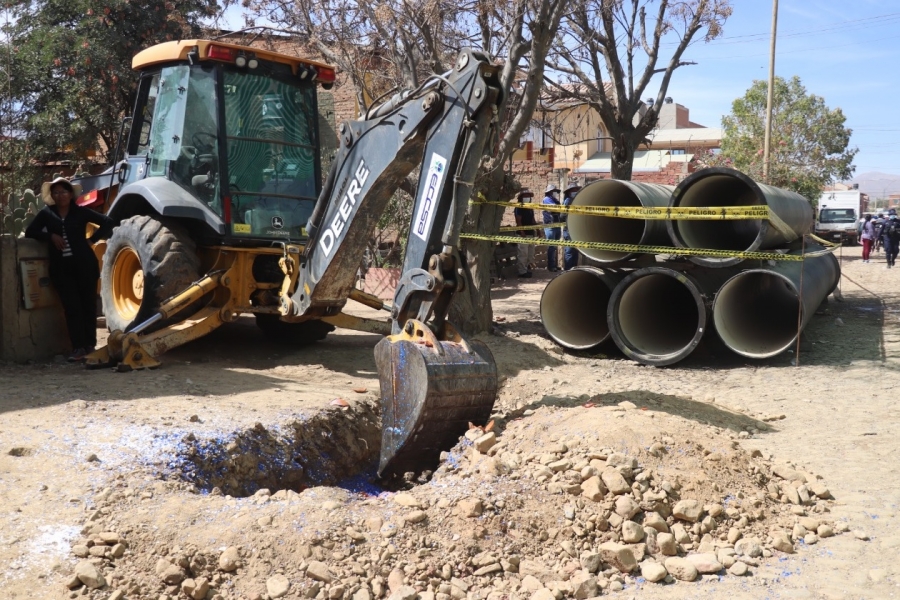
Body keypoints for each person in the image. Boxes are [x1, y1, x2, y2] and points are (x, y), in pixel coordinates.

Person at [25, 176, 114, 361]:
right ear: (52, 195)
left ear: (70, 194)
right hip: (61, 268)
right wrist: (50, 236)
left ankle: (90, 345)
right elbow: (30, 231)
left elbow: (107, 222)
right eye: (56, 192)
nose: (60, 196)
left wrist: (91, 241)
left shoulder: (81, 212)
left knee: (88, 305)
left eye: (63, 192)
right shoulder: (47, 214)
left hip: (85, 266)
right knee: (71, 307)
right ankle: (78, 347)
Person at [513, 189, 541, 278]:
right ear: (521, 198)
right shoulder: (518, 207)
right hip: (522, 235)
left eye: (528, 196)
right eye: (525, 196)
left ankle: (527, 269)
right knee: (523, 253)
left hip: (531, 234)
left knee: (530, 253)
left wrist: (538, 230)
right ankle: (522, 272)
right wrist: (522, 231)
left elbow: (533, 220)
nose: (527, 198)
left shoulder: (530, 207)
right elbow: (518, 220)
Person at [541, 183, 562, 272]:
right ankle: (551, 266)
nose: (555, 193)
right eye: (553, 191)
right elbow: (555, 209)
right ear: (549, 192)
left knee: (555, 246)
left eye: (555, 191)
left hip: (556, 225)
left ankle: (554, 265)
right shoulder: (546, 199)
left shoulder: (555, 200)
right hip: (550, 225)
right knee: (551, 246)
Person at [561, 183, 581, 270]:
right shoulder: (568, 201)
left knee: (575, 250)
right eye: (573, 190)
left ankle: (574, 268)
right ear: (569, 192)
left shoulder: (577, 201)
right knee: (569, 251)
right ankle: (568, 269)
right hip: (568, 230)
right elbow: (562, 216)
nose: (575, 192)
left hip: (575, 229)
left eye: (576, 190)